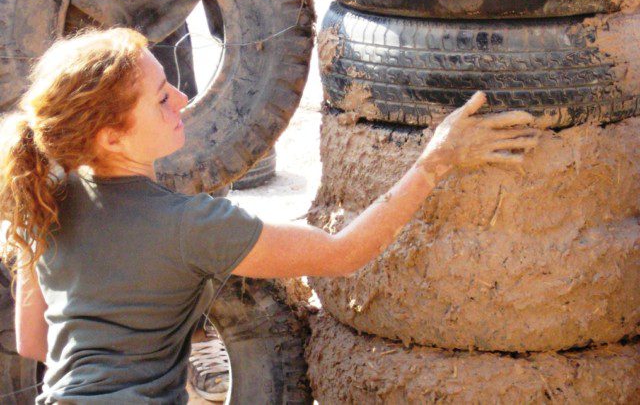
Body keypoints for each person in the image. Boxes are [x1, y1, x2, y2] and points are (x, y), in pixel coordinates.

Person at [0, 28, 540, 403]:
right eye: (162, 98)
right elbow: (343, 253)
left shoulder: (44, 198)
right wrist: (435, 161)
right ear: (110, 136)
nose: (184, 99)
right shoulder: (193, 227)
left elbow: (34, 343)